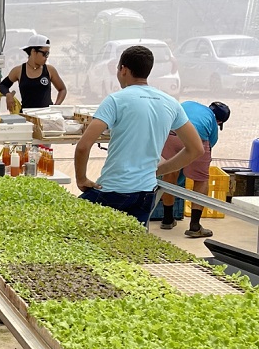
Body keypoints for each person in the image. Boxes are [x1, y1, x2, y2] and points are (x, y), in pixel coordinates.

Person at [74, 45, 204, 226]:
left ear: (123, 69)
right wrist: (159, 170)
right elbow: (196, 149)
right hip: (146, 192)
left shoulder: (116, 100)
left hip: (113, 189)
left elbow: (83, 146)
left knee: (72, 228)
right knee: (133, 245)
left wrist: (81, 179)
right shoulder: (170, 103)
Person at [159, 101, 230, 237]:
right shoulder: (213, 120)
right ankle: (195, 226)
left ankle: (167, 219)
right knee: (201, 180)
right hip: (198, 138)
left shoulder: (189, 104)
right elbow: (211, 143)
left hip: (171, 134)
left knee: (169, 172)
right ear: (220, 121)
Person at [0, 34, 67, 112]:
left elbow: (62, 89)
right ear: (33, 52)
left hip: (46, 116)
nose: (47, 57)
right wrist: (8, 94)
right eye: (45, 53)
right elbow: (3, 85)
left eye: (48, 54)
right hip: (27, 116)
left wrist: (56, 107)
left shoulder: (50, 70)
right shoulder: (18, 71)